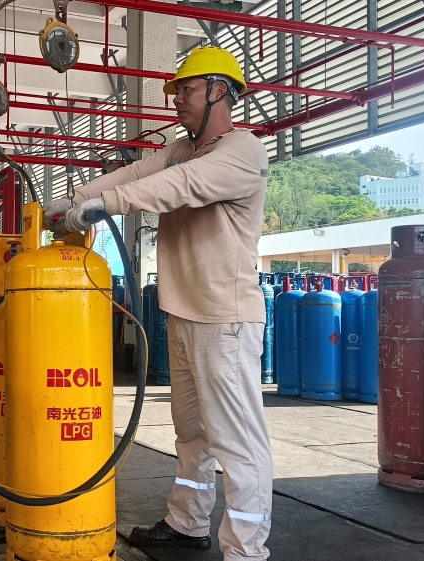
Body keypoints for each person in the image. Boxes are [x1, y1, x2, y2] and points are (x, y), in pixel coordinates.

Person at [45, 46, 273, 560]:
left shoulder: (242, 151)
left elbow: (180, 186)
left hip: (225, 319)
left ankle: (246, 551)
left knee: (237, 442)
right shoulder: (180, 149)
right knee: (192, 434)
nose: (177, 100)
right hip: (186, 313)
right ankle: (188, 524)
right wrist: (73, 200)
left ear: (219, 90)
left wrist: (105, 206)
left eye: (187, 90)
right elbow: (132, 175)